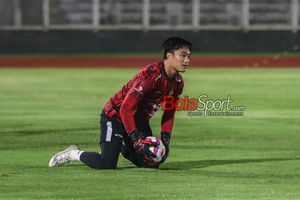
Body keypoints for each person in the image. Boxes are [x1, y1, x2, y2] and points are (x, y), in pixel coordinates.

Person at [49, 37, 192, 169]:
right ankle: (73, 153)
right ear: (169, 56)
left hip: (137, 122)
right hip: (115, 116)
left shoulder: (178, 83)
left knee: (151, 162)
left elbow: (169, 113)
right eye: (183, 55)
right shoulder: (150, 76)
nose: (187, 60)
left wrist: (166, 142)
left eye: (188, 56)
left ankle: (121, 146)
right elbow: (126, 109)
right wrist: (136, 140)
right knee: (107, 164)